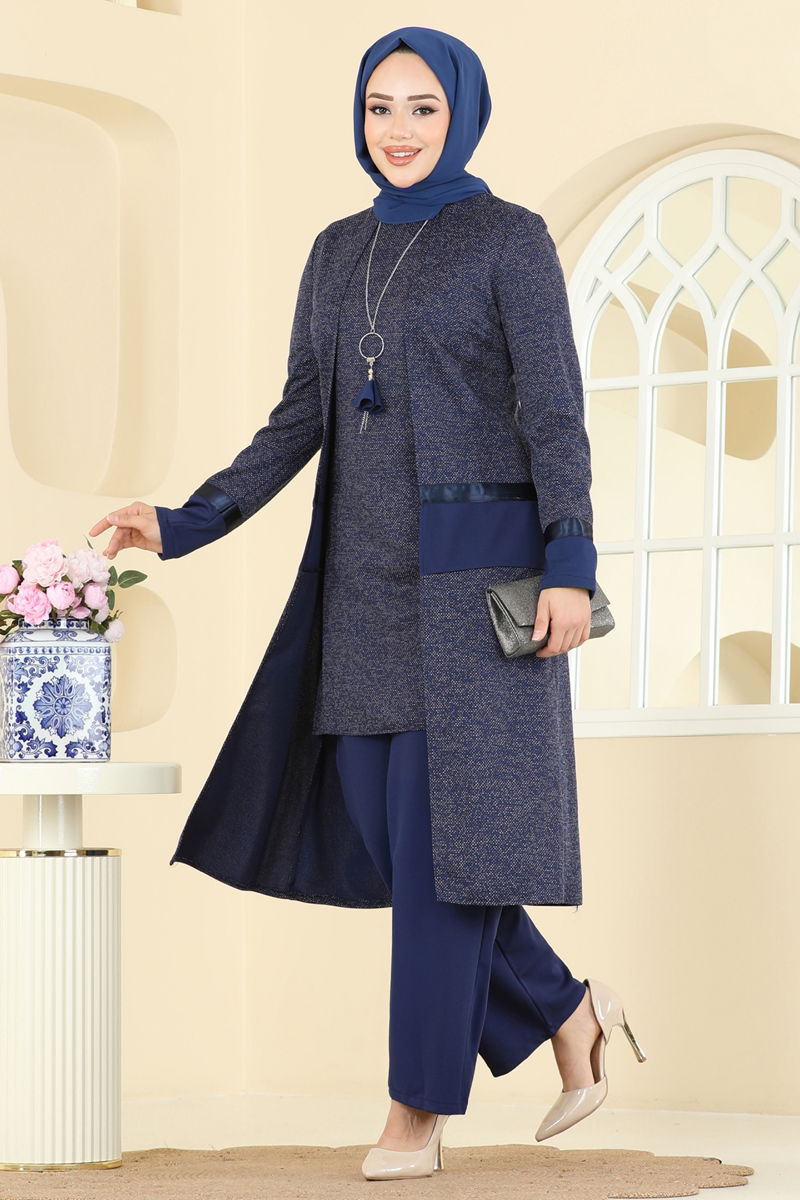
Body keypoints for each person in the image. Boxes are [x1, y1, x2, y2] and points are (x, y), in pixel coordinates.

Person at [88, 26, 646, 1183]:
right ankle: (568, 1011)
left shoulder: (508, 239)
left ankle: (413, 1109)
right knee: (405, 843)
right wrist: (184, 520)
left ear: (462, 116)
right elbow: (299, 415)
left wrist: (569, 560)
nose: (396, 129)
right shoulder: (336, 250)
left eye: (421, 108)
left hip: (475, 589)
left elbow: (554, 413)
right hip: (358, 589)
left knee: (444, 861)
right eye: (378, 107)